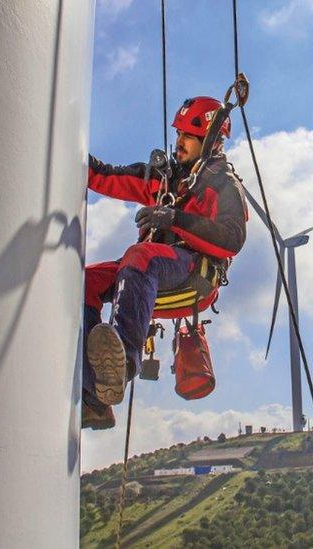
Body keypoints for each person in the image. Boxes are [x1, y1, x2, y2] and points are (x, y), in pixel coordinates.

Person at [81, 96, 248, 430]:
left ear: (211, 141)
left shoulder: (222, 184)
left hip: (193, 275)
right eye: (179, 134)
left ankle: (123, 363)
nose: (179, 143)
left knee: (140, 255)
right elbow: (104, 176)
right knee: (85, 282)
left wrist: (173, 218)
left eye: (188, 136)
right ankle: (95, 399)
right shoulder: (166, 179)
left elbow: (231, 238)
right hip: (147, 273)